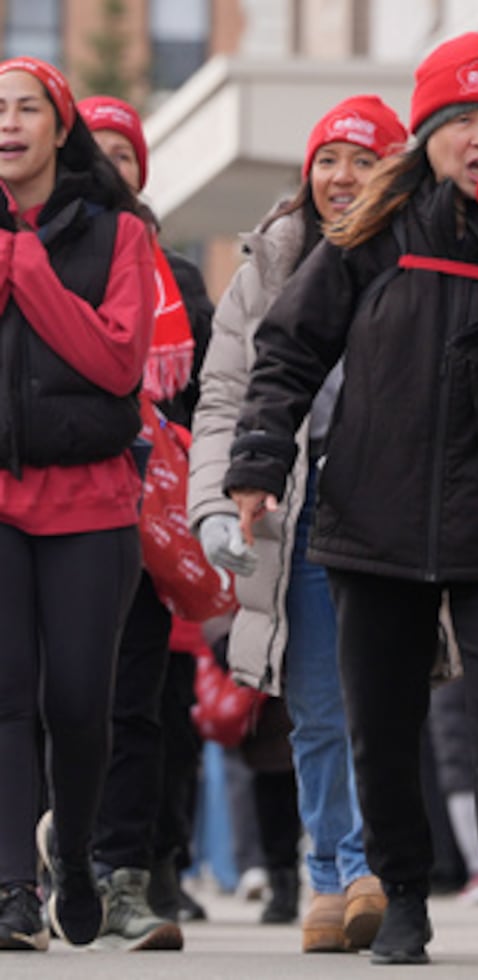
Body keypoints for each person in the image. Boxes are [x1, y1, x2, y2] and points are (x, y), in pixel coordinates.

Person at [221, 31, 478, 974]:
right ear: (431, 134)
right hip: (376, 514)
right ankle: (400, 898)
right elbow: (289, 349)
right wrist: (254, 464)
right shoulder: (377, 231)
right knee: (384, 717)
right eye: (467, 121)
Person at [188, 94, 406, 953]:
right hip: (301, 507)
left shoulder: (420, 257)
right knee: (315, 701)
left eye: (362, 160)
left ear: (394, 170)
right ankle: (334, 873)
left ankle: (381, 864)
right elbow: (224, 398)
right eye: (327, 161)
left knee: (384, 703)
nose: (341, 178)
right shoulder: (269, 263)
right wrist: (212, 503)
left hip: (396, 506)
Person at [0, 57, 155, 952]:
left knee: (79, 703)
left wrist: (29, 268)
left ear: (62, 129)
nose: (10, 123)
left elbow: (115, 364)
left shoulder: (117, 234)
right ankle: (13, 889)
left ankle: (80, 851)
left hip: (91, 500)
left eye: (28, 109)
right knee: (7, 696)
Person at [63, 93, 213, 952]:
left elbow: (198, 396)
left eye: (126, 154)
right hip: (50, 502)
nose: (110, 165)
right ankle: (51, 863)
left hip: (143, 515)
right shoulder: (35, 249)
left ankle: (125, 870)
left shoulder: (176, 277)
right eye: (98, 147)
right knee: (52, 698)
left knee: (139, 702)